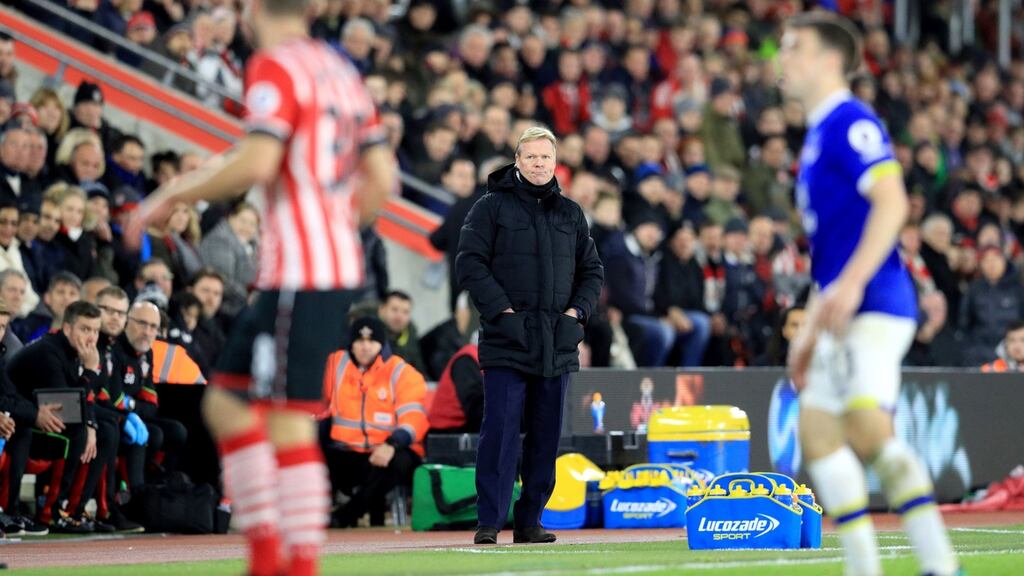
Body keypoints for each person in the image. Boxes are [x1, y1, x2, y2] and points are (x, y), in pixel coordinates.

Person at [126, 0, 395, 569]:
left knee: (286, 416)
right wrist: (336, 226)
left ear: (250, 9)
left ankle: (293, 560)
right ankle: (270, 550)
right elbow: (383, 180)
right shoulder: (340, 69)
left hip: (301, 271)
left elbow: (257, 160)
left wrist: (173, 193)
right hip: (322, 265)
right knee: (226, 403)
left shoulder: (276, 64)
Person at [781, 13, 958, 576]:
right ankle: (865, 569)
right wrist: (806, 332)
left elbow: (892, 200)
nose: (781, 58)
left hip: (876, 301)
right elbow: (828, 258)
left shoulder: (849, 120)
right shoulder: (815, 135)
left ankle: (942, 565)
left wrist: (854, 283)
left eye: (794, 48)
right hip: (843, 305)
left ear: (829, 60)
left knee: (863, 427)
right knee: (817, 433)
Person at [456, 126, 603, 545]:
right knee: (499, 434)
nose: (540, 164)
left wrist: (577, 315)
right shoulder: (490, 207)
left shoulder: (571, 213)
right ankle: (489, 522)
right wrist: (502, 312)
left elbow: (592, 271)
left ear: (556, 163)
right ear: (517, 161)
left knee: (545, 437)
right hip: (507, 341)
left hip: (556, 343)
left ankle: (530, 521)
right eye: (532, 157)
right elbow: (469, 263)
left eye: (546, 158)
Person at [6, 301, 106, 533]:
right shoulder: (49, 351)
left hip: (36, 420)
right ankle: (51, 512)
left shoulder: (75, 352)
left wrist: (91, 423)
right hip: (17, 422)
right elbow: (68, 405)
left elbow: (86, 401)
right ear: (68, 328)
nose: (91, 338)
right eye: (85, 329)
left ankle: (74, 508)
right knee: (77, 433)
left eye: (95, 331)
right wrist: (90, 371)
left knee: (103, 430)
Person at [320, 316, 428, 528]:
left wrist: (392, 443)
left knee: (400, 462)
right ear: (351, 342)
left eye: (372, 341)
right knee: (310, 446)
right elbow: (315, 403)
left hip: (385, 451)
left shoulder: (401, 371)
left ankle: (347, 515)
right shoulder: (335, 364)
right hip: (344, 451)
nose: (365, 346)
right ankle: (311, 513)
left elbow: (415, 418)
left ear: (382, 343)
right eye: (360, 340)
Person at [378, 290, 427, 376]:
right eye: (394, 309)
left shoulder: (410, 335)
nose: (399, 316)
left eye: (405, 312)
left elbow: (419, 369)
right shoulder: (369, 333)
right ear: (381, 310)